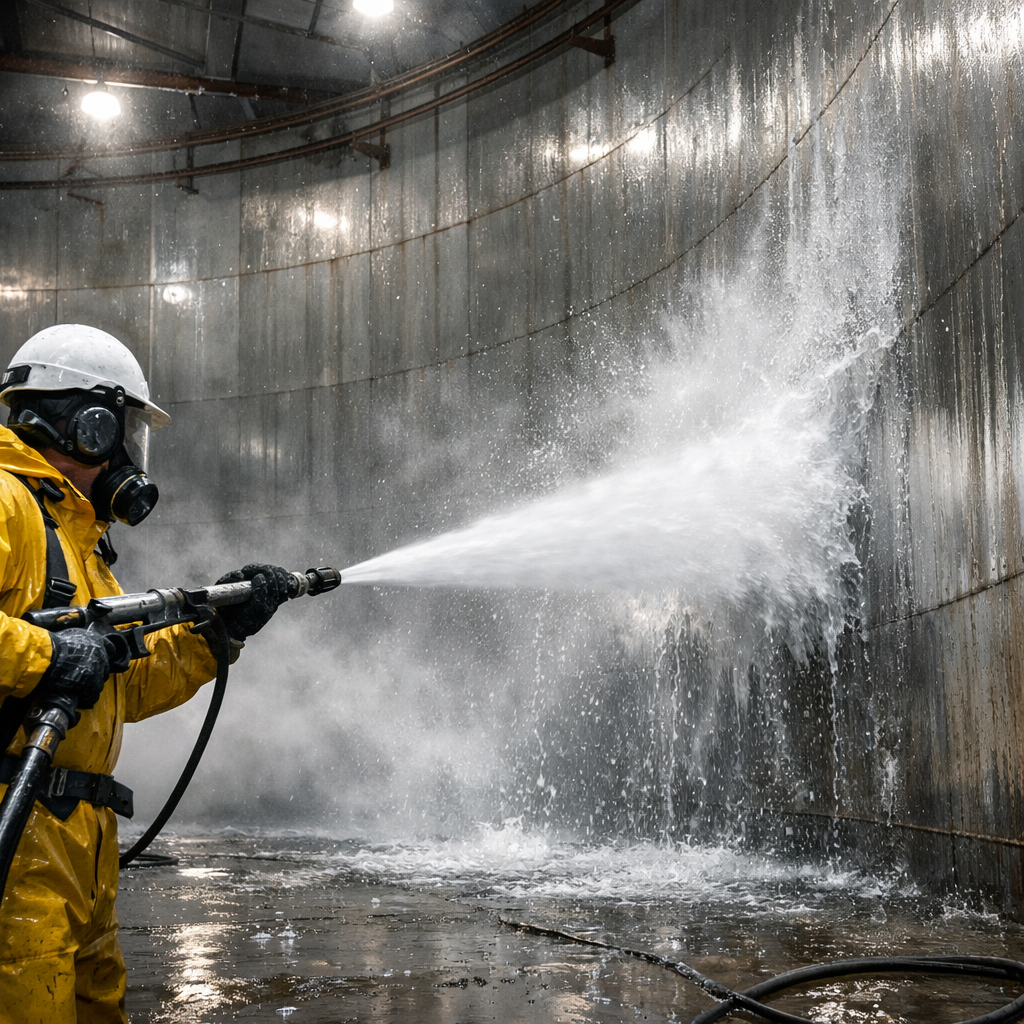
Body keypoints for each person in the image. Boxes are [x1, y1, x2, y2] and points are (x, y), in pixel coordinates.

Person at [0, 323, 291, 1023]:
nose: (127, 453)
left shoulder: (80, 543)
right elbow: (61, 661)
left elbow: (116, 688)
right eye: (121, 427)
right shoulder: (6, 504)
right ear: (86, 426)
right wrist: (49, 654)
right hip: (19, 833)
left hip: (79, 841)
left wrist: (213, 636)